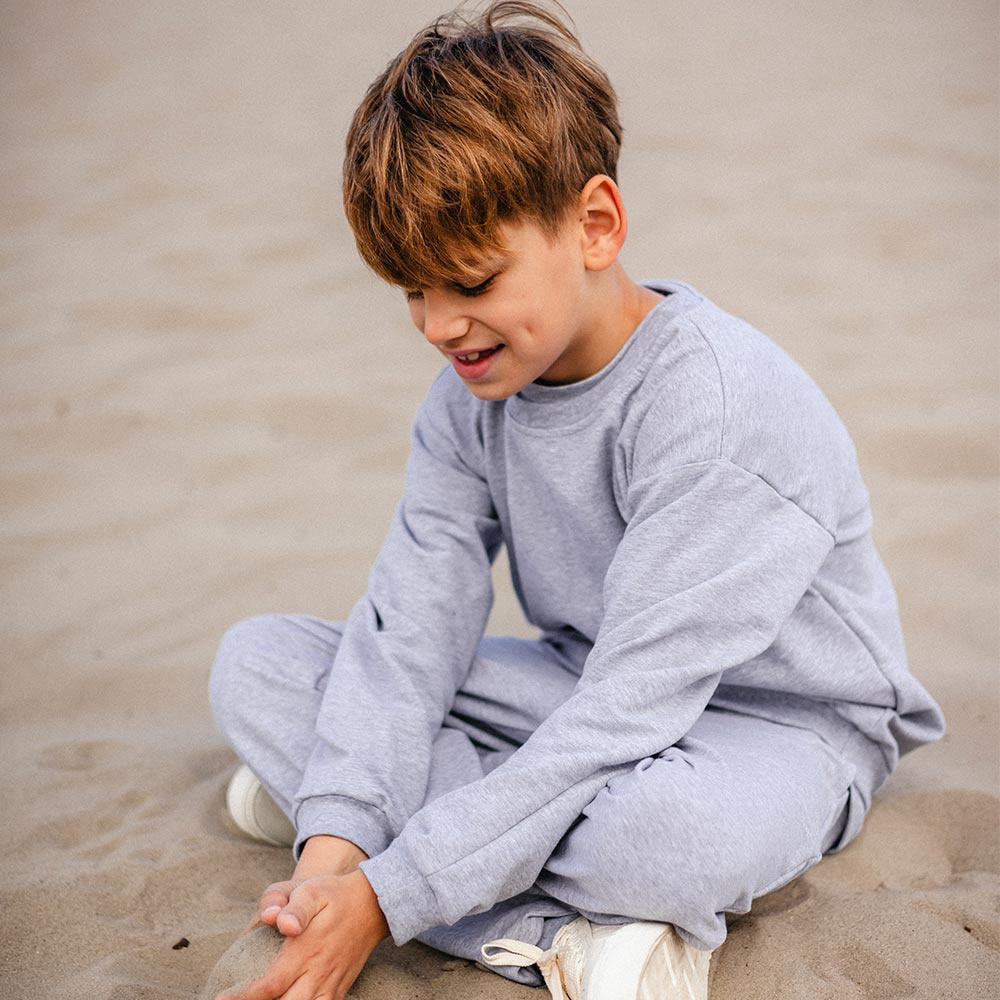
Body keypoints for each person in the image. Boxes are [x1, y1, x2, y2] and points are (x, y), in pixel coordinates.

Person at [206, 3, 945, 998]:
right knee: (259, 665)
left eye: (471, 280)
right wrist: (333, 853)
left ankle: (480, 882)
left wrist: (385, 893)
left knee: (661, 841)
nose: (438, 326)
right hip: (583, 681)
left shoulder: (716, 411)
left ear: (594, 226)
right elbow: (411, 633)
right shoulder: (468, 395)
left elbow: (626, 715)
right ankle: (409, 843)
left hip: (777, 729)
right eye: (413, 291)